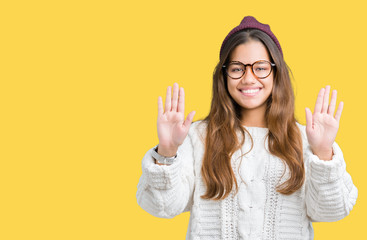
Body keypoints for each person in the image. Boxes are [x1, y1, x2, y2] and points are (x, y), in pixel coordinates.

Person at [136, 16, 358, 239]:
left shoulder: (306, 139)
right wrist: (166, 151)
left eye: (260, 67)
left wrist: (323, 153)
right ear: (224, 75)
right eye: (237, 68)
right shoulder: (197, 137)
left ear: (276, 72)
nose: (249, 78)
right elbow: (162, 207)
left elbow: (332, 211)